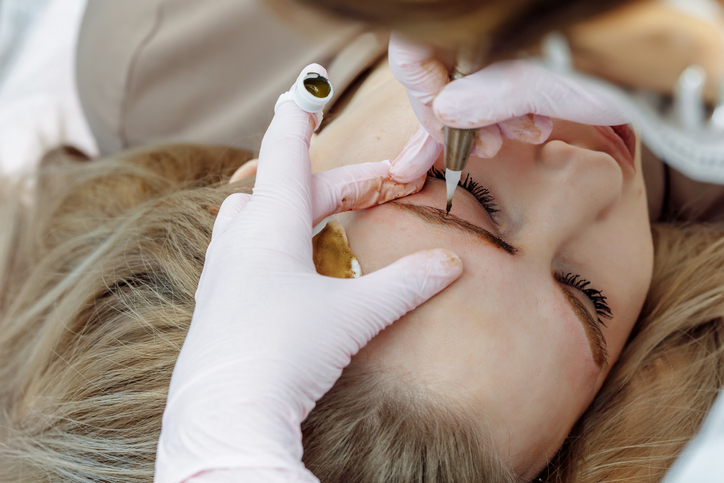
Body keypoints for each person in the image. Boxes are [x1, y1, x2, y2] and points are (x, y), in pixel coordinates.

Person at [2, 58, 724, 483]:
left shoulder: (156, 52)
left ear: (266, 188)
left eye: (465, 195)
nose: (593, 179)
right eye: (586, 297)